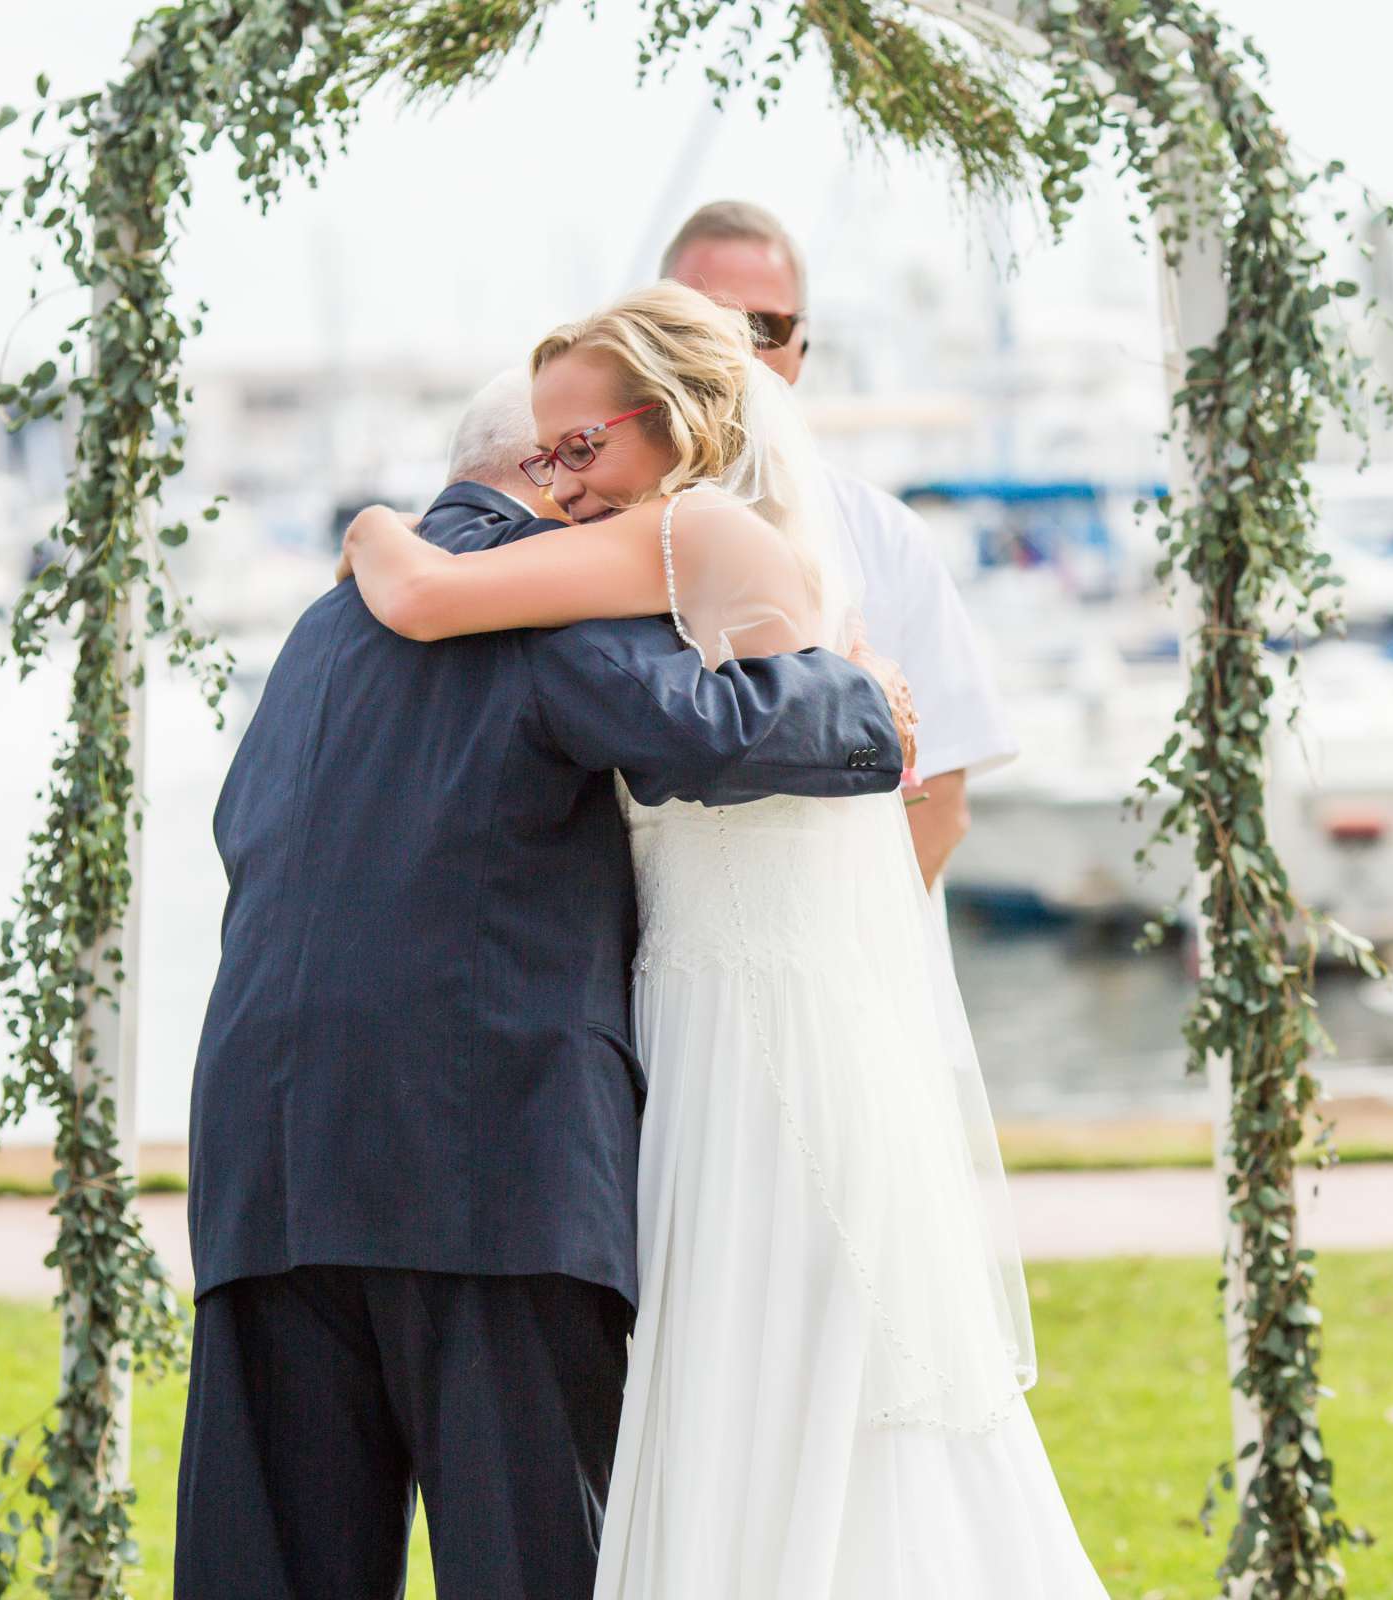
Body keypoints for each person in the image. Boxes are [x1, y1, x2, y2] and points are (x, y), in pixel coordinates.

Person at [337, 282, 1106, 1597]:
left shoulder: (686, 529)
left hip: (733, 1020)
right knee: (796, 1376)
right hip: (757, 996)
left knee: (746, 1371)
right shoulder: (753, 546)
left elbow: (417, 593)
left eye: (583, 447)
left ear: (684, 418)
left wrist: (362, 516)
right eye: (548, 452)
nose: (563, 483)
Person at [173, 367, 910, 1598]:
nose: (602, 504)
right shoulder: (535, 601)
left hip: (268, 1161)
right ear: (536, 475)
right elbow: (704, 731)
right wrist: (859, 700)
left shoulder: (316, 628)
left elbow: (248, 831)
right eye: (579, 471)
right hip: (484, 1162)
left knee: (273, 1566)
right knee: (529, 1562)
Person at [661, 199, 1019, 887]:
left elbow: (937, 800)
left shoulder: (887, 538)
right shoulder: (598, 529)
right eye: (700, 321)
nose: (732, 348)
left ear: (802, 347)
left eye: (762, 326)